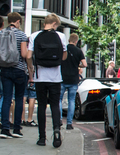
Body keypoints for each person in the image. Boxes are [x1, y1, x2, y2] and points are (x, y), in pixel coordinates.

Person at [27, 13, 67, 147]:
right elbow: (64, 56)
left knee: (42, 106)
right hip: (55, 78)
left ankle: (42, 138)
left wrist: (31, 69)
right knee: (55, 105)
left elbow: (28, 56)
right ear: (55, 24)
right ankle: (56, 130)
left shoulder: (34, 36)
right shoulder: (61, 36)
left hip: (40, 77)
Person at [0, 12, 29, 139]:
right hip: (19, 70)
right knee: (18, 99)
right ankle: (17, 128)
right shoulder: (22, 35)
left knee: (7, 98)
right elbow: (23, 54)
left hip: (5, 69)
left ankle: (5, 128)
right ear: (17, 21)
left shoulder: (1, 33)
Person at [59, 33, 87, 130]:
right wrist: (78, 66)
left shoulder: (63, 49)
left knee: (59, 99)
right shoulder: (78, 51)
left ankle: (59, 120)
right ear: (76, 41)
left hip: (62, 77)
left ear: (68, 40)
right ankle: (69, 123)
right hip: (73, 79)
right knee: (71, 101)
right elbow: (85, 64)